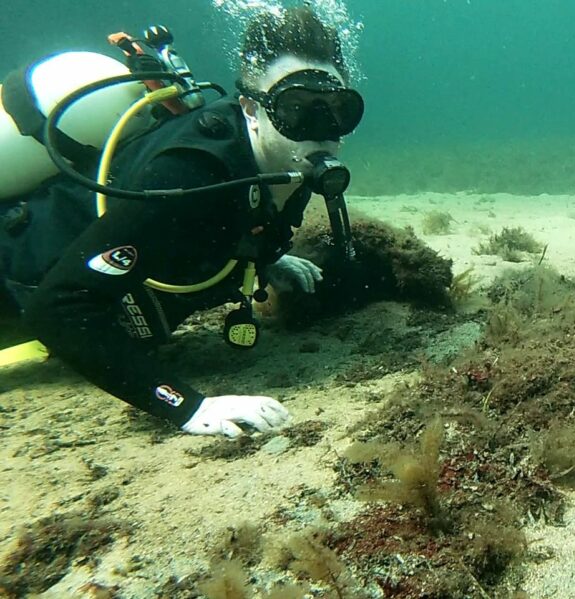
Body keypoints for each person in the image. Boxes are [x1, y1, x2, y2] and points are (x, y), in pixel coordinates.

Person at [0, 6, 365, 437]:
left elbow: (232, 221)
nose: (320, 130)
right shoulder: (188, 177)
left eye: (338, 109)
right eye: (297, 107)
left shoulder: (288, 160)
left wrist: (267, 259)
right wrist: (188, 407)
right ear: (250, 108)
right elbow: (55, 307)